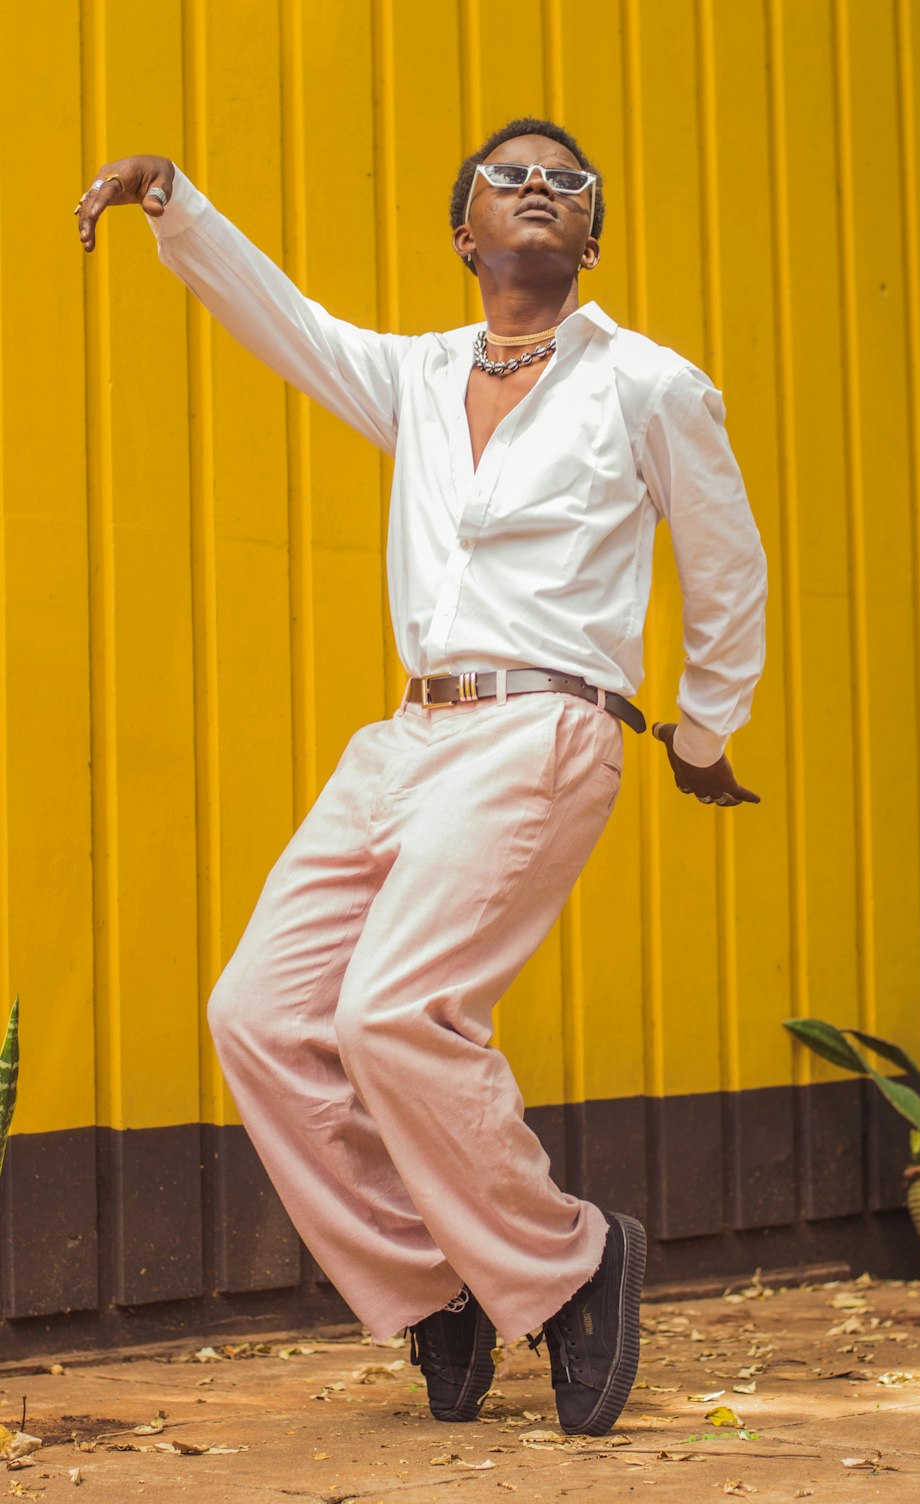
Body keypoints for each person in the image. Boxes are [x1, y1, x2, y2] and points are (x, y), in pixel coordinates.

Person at [75, 115, 766, 1437]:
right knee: (261, 1015)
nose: (539, 189)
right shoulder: (414, 376)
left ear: (590, 238)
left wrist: (702, 727)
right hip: (403, 741)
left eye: (568, 183)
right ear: (466, 233)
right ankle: (438, 1289)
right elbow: (286, 323)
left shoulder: (649, 387)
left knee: (395, 1011)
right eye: (510, 177)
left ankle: (570, 1264)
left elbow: (728, 564)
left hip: (540, 730)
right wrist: (175, 203)